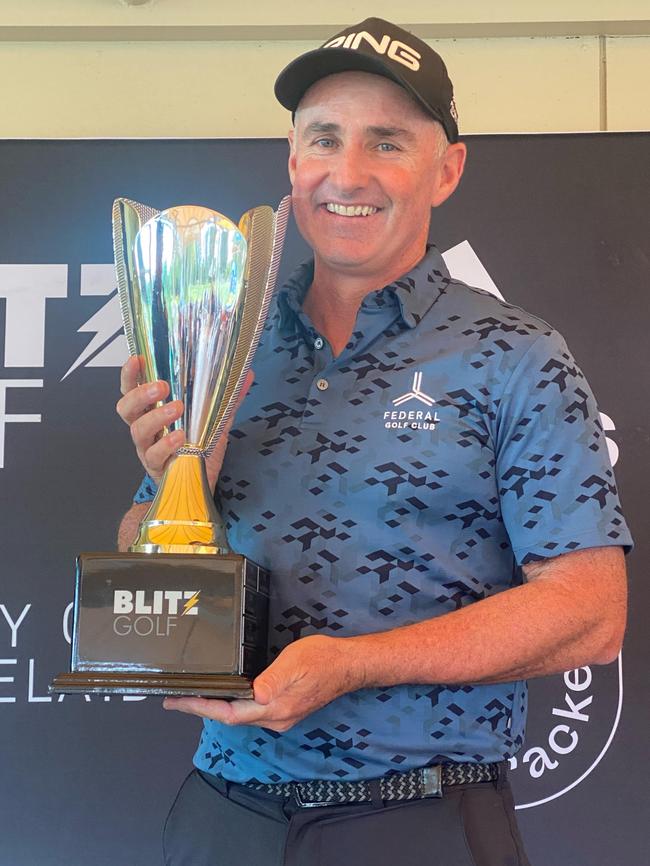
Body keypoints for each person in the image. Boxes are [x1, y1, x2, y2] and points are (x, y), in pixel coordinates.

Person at [116, 17, 632, 866]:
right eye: (324, 138)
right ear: (292, 161)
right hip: (225, 813)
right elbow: (143, 565)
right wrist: (182, 475)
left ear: (447, 169)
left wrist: (353, 665)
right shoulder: (222, 339)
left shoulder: (515, 355)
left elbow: (590, 613)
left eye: (386, 142)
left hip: (419, 820)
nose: (346, 174)